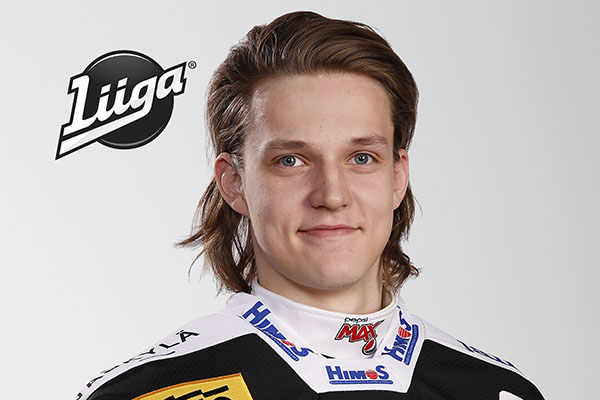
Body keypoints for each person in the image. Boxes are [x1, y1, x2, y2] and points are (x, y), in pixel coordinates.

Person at [76, 11, 545, 400]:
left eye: (362, 158)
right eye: (291, 161)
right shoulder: (145, 394)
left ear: (397, 176)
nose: (332, 196)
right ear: (234, 183)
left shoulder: (498, 391)